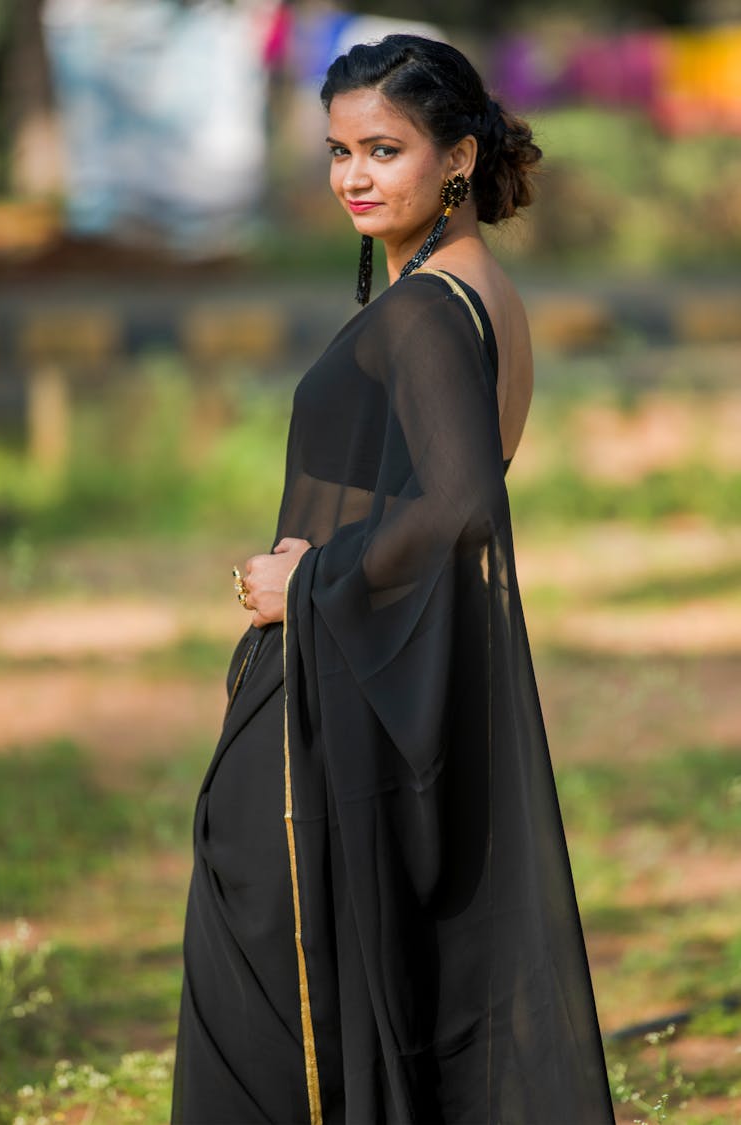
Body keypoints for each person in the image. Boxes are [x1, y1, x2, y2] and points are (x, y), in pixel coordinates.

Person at [172, 34, 615, 1125]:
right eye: (337, 151)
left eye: (385, 149)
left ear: (459, 157)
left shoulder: (423, 310)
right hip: (388, 669)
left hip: (350, 686)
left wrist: (313, 579)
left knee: (270, 961)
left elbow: (463, 501)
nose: (354, 177)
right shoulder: (481, 292)